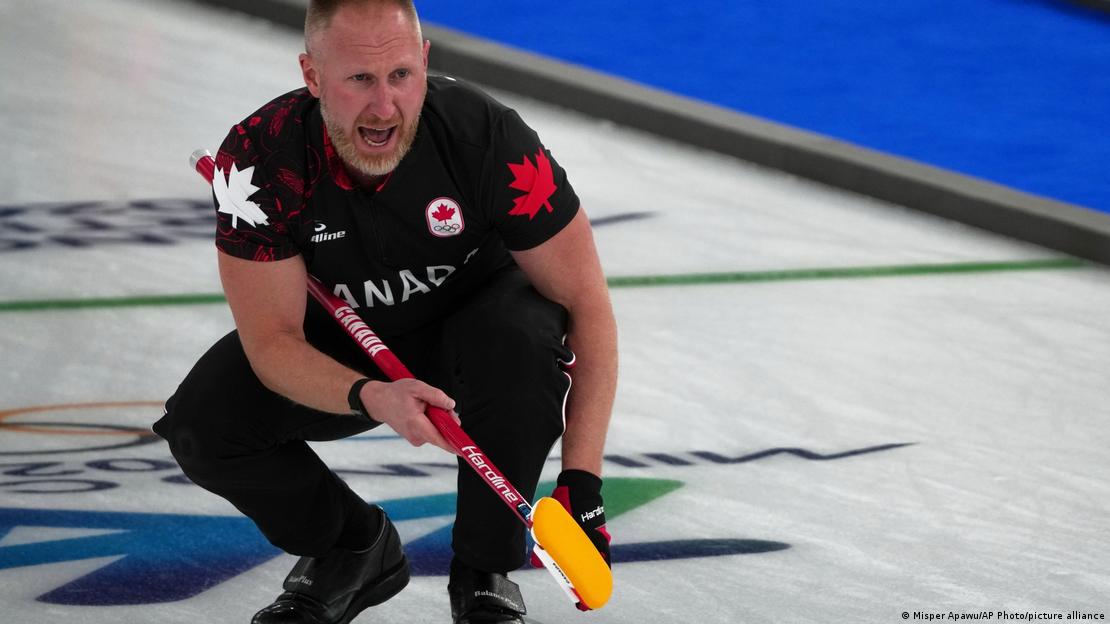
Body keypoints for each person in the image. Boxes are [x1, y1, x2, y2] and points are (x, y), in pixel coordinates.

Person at [152, 1, 617, 622]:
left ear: (424, 61)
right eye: (359, 79)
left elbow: (586, 305)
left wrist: (582, 482)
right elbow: (272, 343)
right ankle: (352, 548)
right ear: (313, 76)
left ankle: (483, 570)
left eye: (401, 75)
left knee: (521, 341)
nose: (384, 106)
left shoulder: (486, 139)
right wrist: (372, 396)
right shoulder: (259, 164)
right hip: (347, 345)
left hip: (480, 324)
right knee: (205, 426)